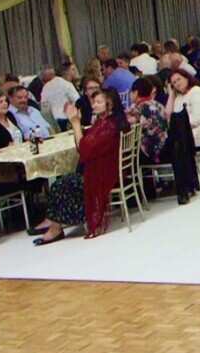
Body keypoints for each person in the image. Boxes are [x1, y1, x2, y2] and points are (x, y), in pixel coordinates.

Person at [30, 87, 129, 245]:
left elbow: (83, 150)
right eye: (93, 102)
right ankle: (54, 223)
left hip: (103, 175)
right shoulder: (105, 122)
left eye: (98, 102)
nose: (94, 105)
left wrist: (75, 123)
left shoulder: (109, 126)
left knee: (61, 184)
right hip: (107, 170)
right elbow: (86, 146)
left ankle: (55, 227)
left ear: (110, 104)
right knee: (64, 180)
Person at [164, 69, 200, 204]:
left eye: (179, 79)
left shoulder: (197, 92)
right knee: (177, 145)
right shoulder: (178, 97)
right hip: (184, 135)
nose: (177, 84)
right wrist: (171, 94)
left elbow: (197, 119)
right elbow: (168, 115)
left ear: (186, 78)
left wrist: (180, 125)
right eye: (174, 83)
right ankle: (187, 185)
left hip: (199, 132)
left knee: (177, 146)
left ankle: (185, 186)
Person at [126, 76, 169, 170]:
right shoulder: (158, 105)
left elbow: (125, 123)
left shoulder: (139, 108)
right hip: (165, 147)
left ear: (135, 93)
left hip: (150, 152)